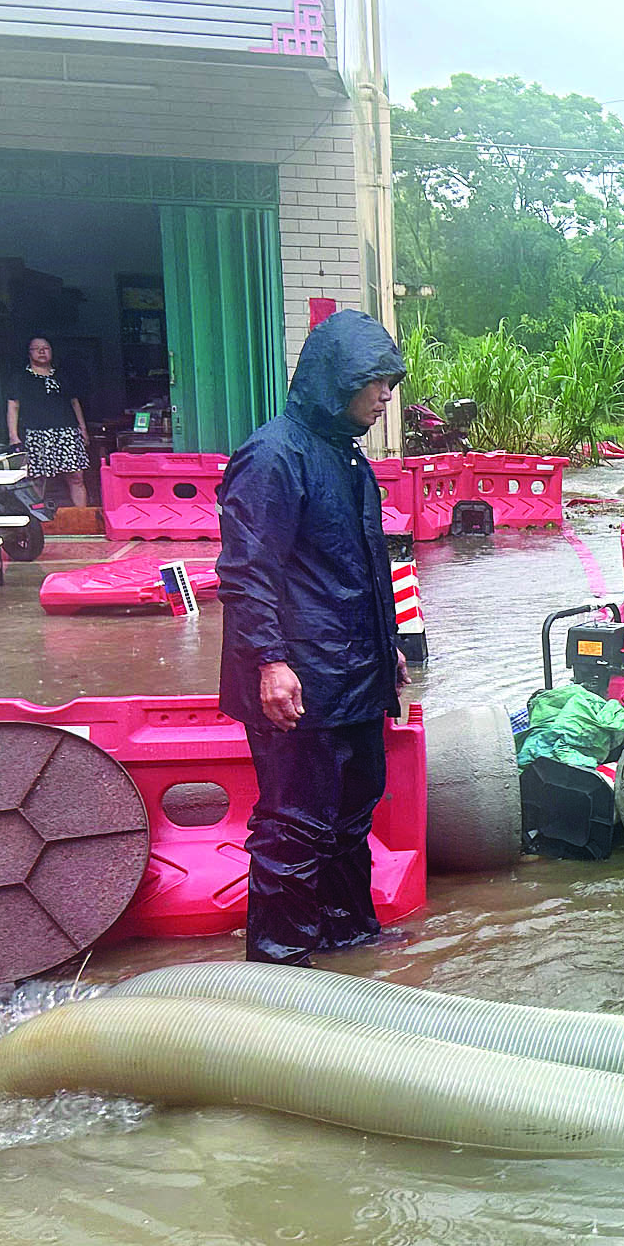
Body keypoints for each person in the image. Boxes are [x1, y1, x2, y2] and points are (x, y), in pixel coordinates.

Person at [216, 311, 407, 965]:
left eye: (390, 382)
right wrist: (269, 661)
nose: (386, 396)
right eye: (377, 381)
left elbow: (360, 567)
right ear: (338, 380)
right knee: (294, 824)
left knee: (352, 814)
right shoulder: (275, 455)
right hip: (298, 680)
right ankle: (282, 964)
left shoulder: (348, 459)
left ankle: (351, 940)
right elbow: (246, 572)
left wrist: (392, 649)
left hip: (354, 674)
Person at [5, 336, 90, 509]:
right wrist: (13, 436)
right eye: (37, 348)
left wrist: (82, 429)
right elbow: (13, 406)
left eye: (46, 348)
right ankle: (38, 521)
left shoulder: (63, 375)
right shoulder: (20, 377)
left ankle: (83, 518)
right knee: (37, 479)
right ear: (29, 353)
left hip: (67, 432)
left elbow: (74, 402)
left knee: (76, 476)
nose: (42, 351)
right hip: (36, 433)